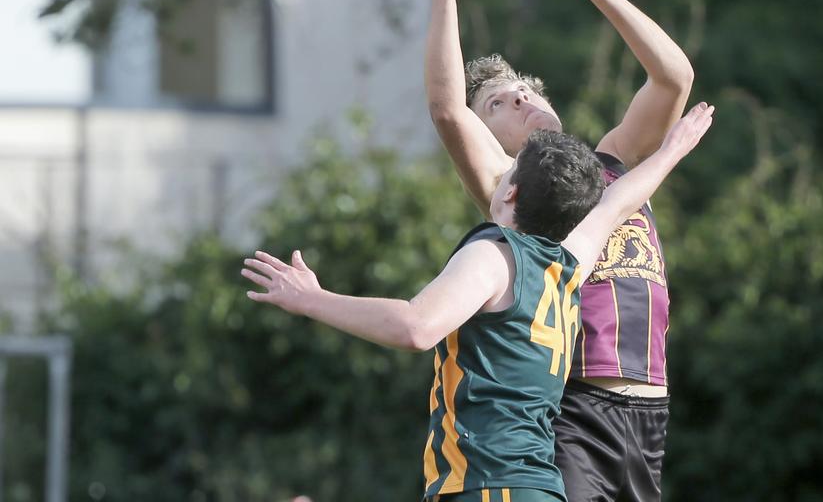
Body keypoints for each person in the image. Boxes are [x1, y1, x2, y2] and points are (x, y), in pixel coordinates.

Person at [242, 106, 714, 502]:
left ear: (510, 192)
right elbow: (615, 204)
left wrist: (314, 299)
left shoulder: (495, 254)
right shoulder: (569, 262)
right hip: (533, 487)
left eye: (507, 169)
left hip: (492, 483)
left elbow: (415, 327)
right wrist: (672, 150)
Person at [427, 0, 696, 501]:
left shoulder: (615, 160)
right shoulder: (512, 188)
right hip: (574, 407)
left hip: (649, 411)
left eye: (523, 89)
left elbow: (674, 76)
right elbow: (446, 110)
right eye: (496, 104)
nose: (517, 98)